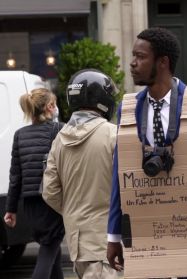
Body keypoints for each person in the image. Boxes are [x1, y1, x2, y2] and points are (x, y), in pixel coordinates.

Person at [107, 27, 187, 279]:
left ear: (163, 62)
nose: (132, 64)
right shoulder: (128, 108)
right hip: (146, 225)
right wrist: (113, 234)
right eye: (133, 56)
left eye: (140, 56)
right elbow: (119, 175)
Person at [42, 69, 119, 279]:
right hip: (108, 245)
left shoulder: (59, 139)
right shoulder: (113, 134)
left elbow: (50, 192)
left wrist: (74, 210)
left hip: (78, 245)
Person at [3, 88, 65, 279]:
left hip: (29, 207)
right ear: (50, 106)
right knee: (48, 250)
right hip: (52, 204)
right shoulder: (58, 130)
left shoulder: (20, 135)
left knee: (52, 250)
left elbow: (15, 177)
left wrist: (10, 210)